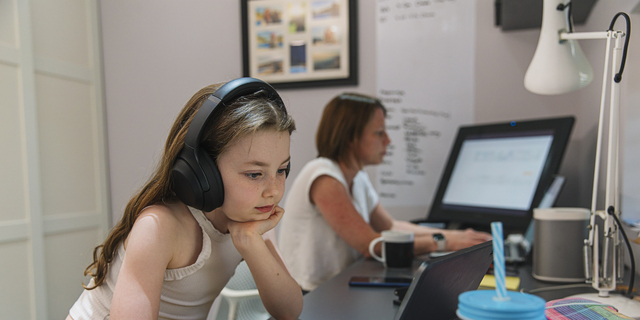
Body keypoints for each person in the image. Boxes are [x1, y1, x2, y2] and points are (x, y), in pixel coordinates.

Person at [67, 78, 303, 320]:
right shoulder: (159, 228)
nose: (273, 190)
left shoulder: (254, 216)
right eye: (254, 174)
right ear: (203, 171)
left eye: (282, 170)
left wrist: (251, 244)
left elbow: (289, 311)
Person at [278, 93, 492, 292]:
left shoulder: (357, 177)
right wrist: (445, 243)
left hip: (339, 287)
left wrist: (456, 236)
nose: (388, 140)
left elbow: (390, 226)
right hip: (310, 296)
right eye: (379, 133)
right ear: (350, 137)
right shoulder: (323, 176)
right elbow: (370, 244)